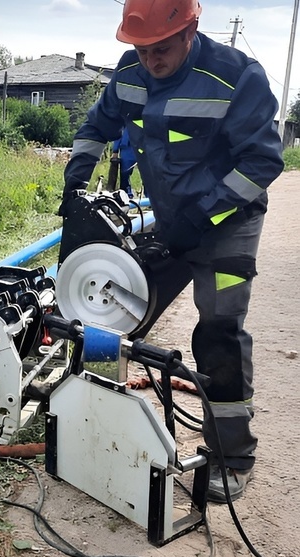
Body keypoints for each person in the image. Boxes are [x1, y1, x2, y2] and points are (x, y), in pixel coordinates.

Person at [58, 0, 284, 503]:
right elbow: (97, 127)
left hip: (229, 223)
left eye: (160, 48)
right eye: (140, 50)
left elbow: (262, 163)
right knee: (127, 306)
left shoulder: (237, 77)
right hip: (170, 220)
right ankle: (98, 426)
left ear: (191, 31)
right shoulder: (129, 74)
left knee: (219, 330)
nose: (150, 60)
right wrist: (75, 182)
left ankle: (232, 455)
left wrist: (201, 220)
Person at [111, 127, 136, 196]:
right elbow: (118, 133)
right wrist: (115, 150)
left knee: (147, 175)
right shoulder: (123, 118)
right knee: (125, 174)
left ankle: (149, 198)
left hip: (144, 147)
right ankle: (125, 195)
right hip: (127, 149)